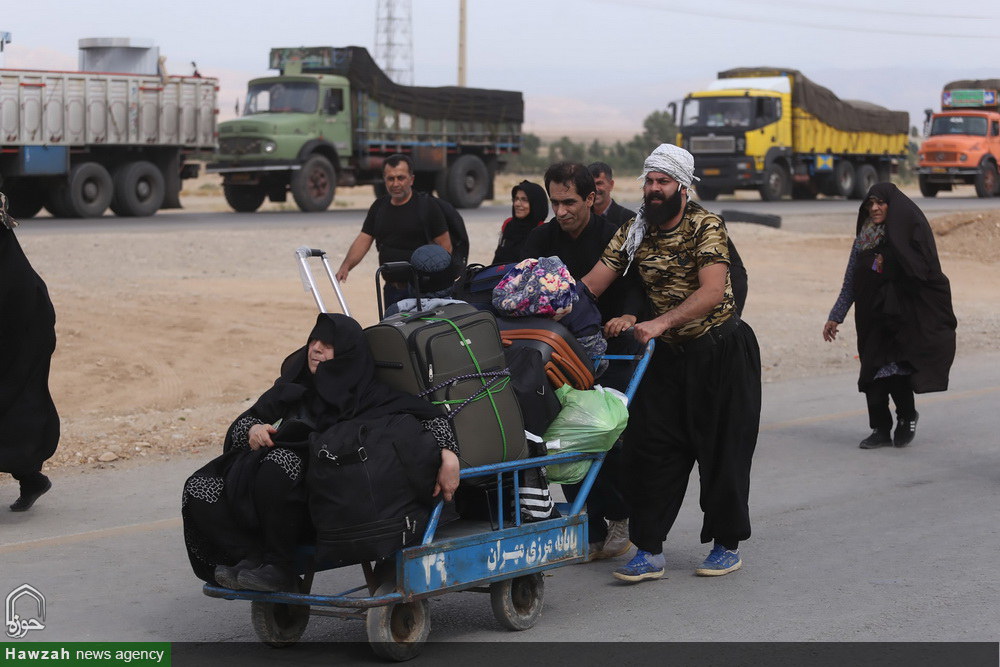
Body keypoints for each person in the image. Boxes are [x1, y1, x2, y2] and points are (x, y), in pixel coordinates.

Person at [583, 143, 762, 582]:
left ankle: (725, 544)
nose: (654, 189)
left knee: (722, 454)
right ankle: (650, 550)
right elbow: (594, 282)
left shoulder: (706, 226)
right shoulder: (634, 230)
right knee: (650, 451)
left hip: (720, 354)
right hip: (669, 360)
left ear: (683, 187)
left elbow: (713, 291)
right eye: (650, 181)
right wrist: (547, 298)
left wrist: (659, 322)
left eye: (663, 181)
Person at [182, 313, 460, 592]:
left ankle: (280, 567)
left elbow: (431, 417)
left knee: (280, 464)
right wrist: (254, 430)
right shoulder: (293, 387)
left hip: (321, 500)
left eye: (327, 344)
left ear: (348, 353)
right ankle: (249, 558)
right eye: (314, 340)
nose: (316, 348)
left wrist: (449, 455)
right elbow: (244, 421)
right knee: (200, 486)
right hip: (260, 490)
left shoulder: (367, 394)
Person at [519, 162, 641, 561]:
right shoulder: (541, 238)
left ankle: (621, 515)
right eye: (555, 202)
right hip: (558, 356)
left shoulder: (615, 238)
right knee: (565, 436)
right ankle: (589, 527)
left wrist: (626, 317)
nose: (561, 210)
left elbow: (637, 290)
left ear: (591, 198)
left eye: (570, 201)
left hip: (614, 351)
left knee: (606, 433)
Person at [823, 183, 956, 449]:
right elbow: (852, 280)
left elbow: (924, 272)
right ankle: (880, 429)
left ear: (892, 205)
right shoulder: (863, 238)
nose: (874, 208)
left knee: (895, 372)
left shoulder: (908, 236)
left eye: (880, 203)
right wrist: (836, 316)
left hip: (899, 318)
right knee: (872, 373)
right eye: (870, 203)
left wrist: (890, 263)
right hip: (870, 317)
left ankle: (906, 417)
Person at [1, 192, 59, 512]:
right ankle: (31, 477)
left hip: (24, 335)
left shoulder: (13, 273)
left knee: (18, 407)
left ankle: (30, 477)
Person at [337, 154, 451, 307]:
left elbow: (445, 247)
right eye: (390, 178)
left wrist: (438, 282)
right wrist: (346, 266)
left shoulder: (427, 207)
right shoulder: (379, 207)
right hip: (391, 290)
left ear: (411, 179)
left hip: (420, 292)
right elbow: (364, 239)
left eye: (400, 178)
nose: (395, 183)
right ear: (384, 180)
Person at [492, 180, 549, 264]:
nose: (517, 204)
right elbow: (498, 259)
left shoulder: (543, 232)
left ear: (535, 204)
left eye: (524, 200)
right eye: (516, 199)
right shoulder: (509, 225)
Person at [588, 162, 637, 230]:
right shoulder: (580, 219)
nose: (595, 189)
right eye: (591, 184)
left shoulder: (629, 220)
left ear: (611, 185)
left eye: (599, 183)